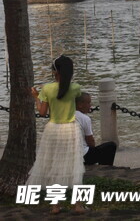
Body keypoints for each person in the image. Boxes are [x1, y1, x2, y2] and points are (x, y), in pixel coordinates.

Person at [27, 55, 85, 213]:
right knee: (75, 166)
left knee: (54, 166)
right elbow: (81, 103)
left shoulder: (47, 89)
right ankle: (78, 204)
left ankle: (55, 205)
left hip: (52, 130)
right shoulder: (75, 88)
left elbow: (43, 112)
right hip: (71, 129)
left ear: (55, 72)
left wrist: (35, 97)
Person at [75, 93, 117, 166]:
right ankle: (105, 168)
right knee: (111, 146)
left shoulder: (67, 116)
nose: (90, 105)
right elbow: (90, 141)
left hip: (71, 155)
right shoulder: (84, 118)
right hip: (83, 156)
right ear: (80, 105)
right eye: (88, 103)